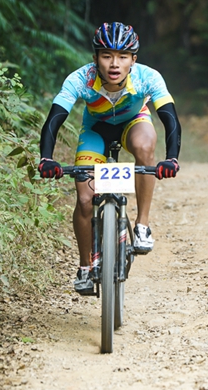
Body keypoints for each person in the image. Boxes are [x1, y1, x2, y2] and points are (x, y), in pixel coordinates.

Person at [37, 22, 182, 295]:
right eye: (106, 56)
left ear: (133, 60)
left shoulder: (148, 77)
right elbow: (55, 119)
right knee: (84, 199)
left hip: (133, 123)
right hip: (96, 132)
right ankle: (84, 267)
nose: (114, 64)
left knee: (145, 146)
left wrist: (171, 158)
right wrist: (46, 158)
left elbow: (169, 117)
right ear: (95, 59)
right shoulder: (80, 78)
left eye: (122, 57)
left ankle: (142, 226)